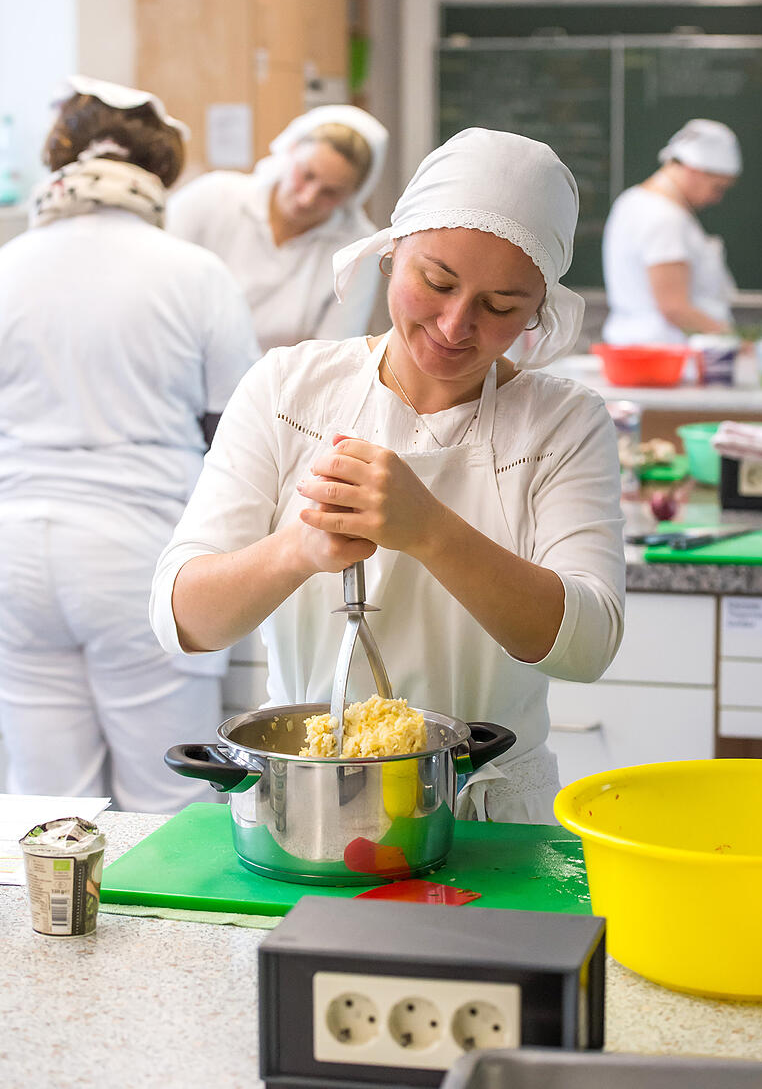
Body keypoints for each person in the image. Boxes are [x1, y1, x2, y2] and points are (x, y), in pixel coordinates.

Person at [150, 127, 625, 824]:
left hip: (484, 823)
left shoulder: (562, 423)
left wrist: (429, 529)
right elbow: (181, 618)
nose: (456, 324)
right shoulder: (289, 389)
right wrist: (300, 548)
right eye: (436, 281)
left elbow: (588, 644)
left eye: (501, 307)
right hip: (309, 812)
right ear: (390, 252)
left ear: (538, 310)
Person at [0, 75, 259, 812]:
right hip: (138, 554)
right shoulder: (194, 273)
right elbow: (233, 434)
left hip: (15, 555)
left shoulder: (8, 266)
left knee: (43, 812)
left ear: (60, 159)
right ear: (159, 170)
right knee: (167, 805)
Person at [166, 104, 389, 351]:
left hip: (278, 386)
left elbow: (332, 353)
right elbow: (155, 277)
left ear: (354, 194)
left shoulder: (358, 248)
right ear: (290, 151)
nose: (308, 199)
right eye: (306, 175)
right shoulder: (213, 197)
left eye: (331, 192)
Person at [602, 118, 741, 346]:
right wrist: (734, 340)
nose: (717, 198)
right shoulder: (665, 218)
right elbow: (674, 308)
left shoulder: (632, 201)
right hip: (664, 355)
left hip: (638, 349)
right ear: (693, 170)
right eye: (717, 187)